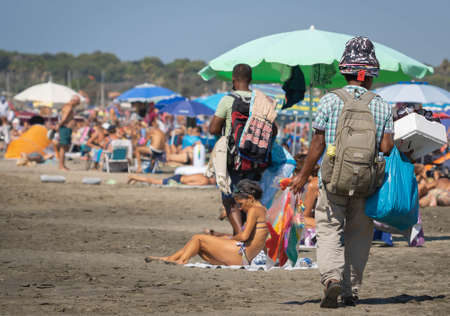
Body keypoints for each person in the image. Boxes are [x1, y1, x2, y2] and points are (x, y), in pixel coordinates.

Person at [291, 37, 394, 308]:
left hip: (333, 179)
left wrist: (303, 175)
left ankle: (331, 279)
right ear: (370, 76)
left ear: (345, 71)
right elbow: (386, 146)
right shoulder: (383, 105)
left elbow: (317, 144)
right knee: (359, 233)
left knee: (329, 229)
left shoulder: (329, 101)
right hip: (367, 181)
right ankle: (351, 290)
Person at [144, 180, 268, 265]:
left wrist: (229, 238)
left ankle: (180, 261)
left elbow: (244, 236)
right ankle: (169, 258)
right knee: (200, 248)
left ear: (251, 198)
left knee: (198, 239)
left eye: (240, 204)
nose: (240, 208)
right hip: (247, 258)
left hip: (242, 256)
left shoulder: (253, 210)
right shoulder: (263, 210)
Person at [208, 64, 256, 235]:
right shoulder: (260, 100)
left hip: (233, 158)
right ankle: (247, 234)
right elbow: (274, 130)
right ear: (250, 80)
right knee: (250, 198)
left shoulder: (228, 100)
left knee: (230, 200)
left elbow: (213, 129)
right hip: (256, 159)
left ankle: (240, 236)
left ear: (233, 80)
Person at [55, 95, 80, 170]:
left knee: (65, 147)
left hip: (66, 128)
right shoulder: (68, 107)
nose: (77, 105)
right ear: (74, 101)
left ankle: (63, 165)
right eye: (77, 103)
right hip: (65, 128)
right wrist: (58, 126)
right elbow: (64, 118)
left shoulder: (69, 107)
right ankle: (61, 166)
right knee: (63, 147)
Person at [127, 173, 216, 186]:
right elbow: (190, 184)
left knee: (155, 180)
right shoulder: (205, 181)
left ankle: (136, 179)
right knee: (154, 181)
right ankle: (133, 177)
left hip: (179, 176)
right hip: (178, 180)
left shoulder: (204, 175)